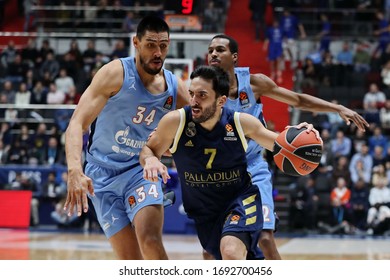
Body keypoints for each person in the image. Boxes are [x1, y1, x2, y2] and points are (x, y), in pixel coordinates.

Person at [206, 34, 369, 259]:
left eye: (219, 49)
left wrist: (338, 108)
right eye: (210, 50)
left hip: (253, 168)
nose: (213, 53)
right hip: (220, 174)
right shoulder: (204, 91)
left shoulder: (254, 83)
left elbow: (298, 100)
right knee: (211, 251)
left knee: (265, 238)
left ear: (234, 57)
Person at [140, 65, 318, 259]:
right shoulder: (175, 121)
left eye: (202, 95)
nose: (194, 102)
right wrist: (150, 160)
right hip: (204, 210)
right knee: (218, 256)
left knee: (231, 253)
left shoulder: (240, 123)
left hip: (239, 200)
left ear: (221, 100)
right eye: (191, 94)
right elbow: (148, 148)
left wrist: (301, 135)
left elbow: (281, 144)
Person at [63, 15, 190, 260]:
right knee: (130, 261)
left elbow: (203, 123)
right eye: (151, 44)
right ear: (136, 43)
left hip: (140, 170)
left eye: (163, 46)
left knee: (150, 240)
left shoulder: (175, 88)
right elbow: (77, 123)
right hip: (101, 175)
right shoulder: (115, 73)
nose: (158, 52)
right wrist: (74, 169)